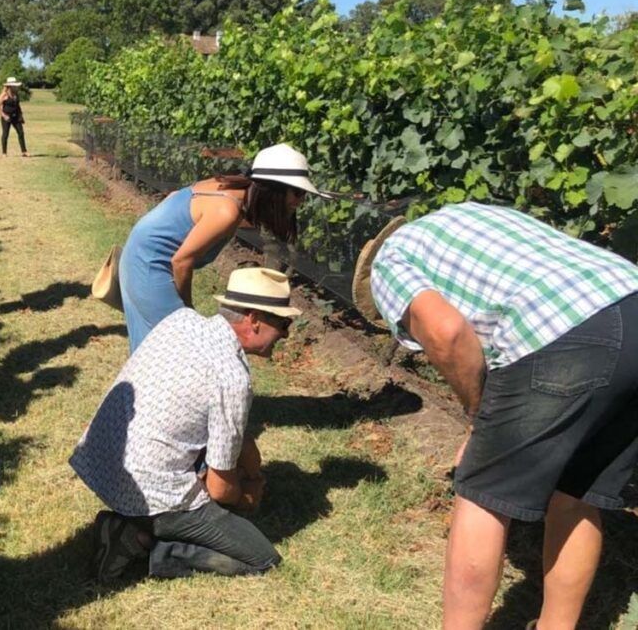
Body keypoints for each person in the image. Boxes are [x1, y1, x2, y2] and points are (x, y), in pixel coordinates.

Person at [352, 202, 638, 630]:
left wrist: (478, 414)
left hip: (558, 331)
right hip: (629, 301)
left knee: (481, 496)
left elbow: (446, 333)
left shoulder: (390, 265)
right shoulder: (468, 216)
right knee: (576, 496)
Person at [70, 267, 300, 582]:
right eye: (283, 323)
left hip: (103, 465)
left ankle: (131, 527)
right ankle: (142, 543)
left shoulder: (182, 321)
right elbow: (220, 491)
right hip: (150, 495)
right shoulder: (231, 377)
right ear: (254, 318)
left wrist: (251, 468)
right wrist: (246, 496)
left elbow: (233, 433)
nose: (286, 334)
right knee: (261, 557)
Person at [118, 143, 325, 352]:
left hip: (139, 257)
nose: (301, 200)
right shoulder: (228, 211)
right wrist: (188, 313)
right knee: (174, 346)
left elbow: (174, 197)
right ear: (275, 189)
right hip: (150, 267)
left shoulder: (228, 187)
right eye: (298, 192)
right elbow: (181, 261)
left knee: (158, 346)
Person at [0, 77, 28, 157]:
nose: (16, 87)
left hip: (16, 116)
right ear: (9, 86)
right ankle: (4, 153)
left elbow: (18, 106)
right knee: (5, 134)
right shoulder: (4, 95)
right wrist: (4, 116)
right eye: (14, 86)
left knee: (21, 133)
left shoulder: (16, 94)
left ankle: (24, 151)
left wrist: (21, 116)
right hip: (6, 117)